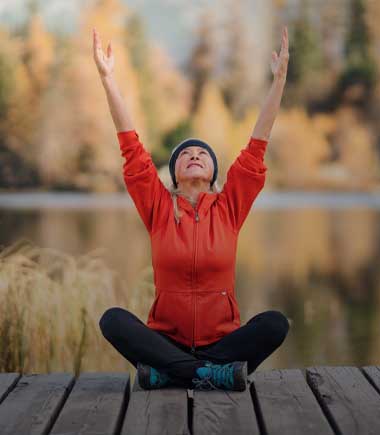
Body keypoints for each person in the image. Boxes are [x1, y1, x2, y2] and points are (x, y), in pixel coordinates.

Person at [94, 25, 291, 391]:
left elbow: (258, 143)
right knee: (113, 320)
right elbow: (131, 147)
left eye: (203, 154)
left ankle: (171, 373)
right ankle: (206, 373)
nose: (195, 156)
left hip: (223, 342)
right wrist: (108, 81)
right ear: (175, 172)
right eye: (186, 154)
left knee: (275, 323)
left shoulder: (230, 207)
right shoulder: (157, 207)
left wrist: (278, 81)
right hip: (166, 339)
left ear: (215, 172)